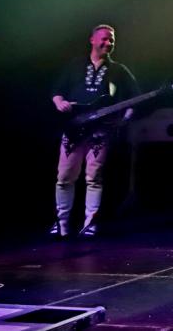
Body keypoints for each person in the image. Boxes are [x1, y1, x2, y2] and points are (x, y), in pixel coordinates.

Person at [50, 24, 140, 238]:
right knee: (64, 177)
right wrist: (60, 103)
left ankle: (90, 223)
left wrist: (124, 120)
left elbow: (134, 98)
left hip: (100, 132)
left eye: (112, 40)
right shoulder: (75, 66)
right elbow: (57, 91)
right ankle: (61, 223)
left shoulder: (119, 70)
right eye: (104, 39)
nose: (108, 43)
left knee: (94, 177)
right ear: (92, 40)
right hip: (74, 128)